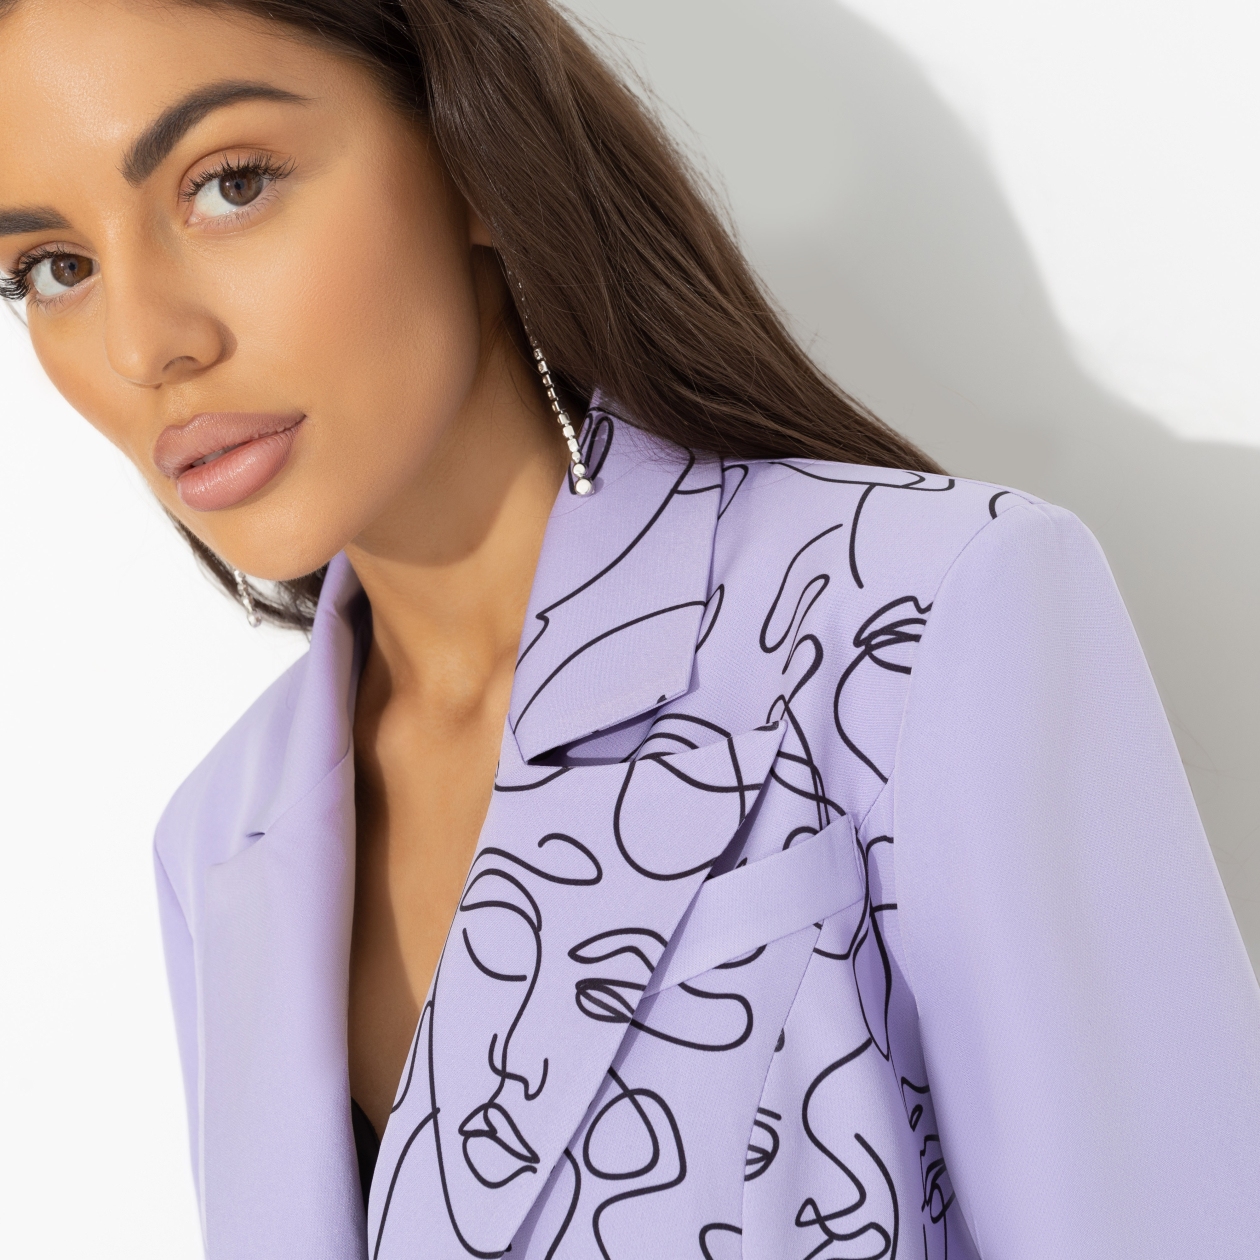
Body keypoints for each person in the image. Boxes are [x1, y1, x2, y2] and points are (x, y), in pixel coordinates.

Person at [2, 0, 1257, 1256]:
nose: (143, 344)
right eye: (54, 267)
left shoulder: (921, 610)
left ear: (469, 150)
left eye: (228, 185)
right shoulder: (223, 834)